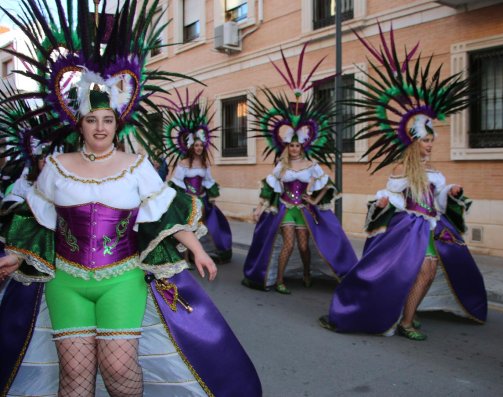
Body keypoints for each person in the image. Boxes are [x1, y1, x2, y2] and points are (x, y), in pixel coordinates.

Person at [0, 1, 262, 396]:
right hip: (65, 281)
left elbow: (161, 215)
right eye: (92, 120)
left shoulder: (136, 165)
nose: (100, 127)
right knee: (73, 377)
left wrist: (199, 250)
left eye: (107, 120)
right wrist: (15, 257)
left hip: (122, 278)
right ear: (80, 123)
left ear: (116, 122)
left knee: (120, 371)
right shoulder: (56, 166)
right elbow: (40, 219)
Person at [319, 24, 487, 340]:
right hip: (408, 230)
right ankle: (405, 320)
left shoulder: (436, 172)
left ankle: (408, 315)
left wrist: (451, 192)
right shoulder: (400, 171)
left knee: (429, 271)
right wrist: (384, 201)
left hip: (431, 227)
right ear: (413, 142)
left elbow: (437, 204)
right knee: (418, 271)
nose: (430, 145)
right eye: (426, 141)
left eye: (431, 141)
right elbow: (394, 199)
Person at [242, 43, 357, 294]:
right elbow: (269, 189)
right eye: (290, 145)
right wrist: (259, 208)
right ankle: (280, 279)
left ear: (303, 145)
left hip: (304, 209)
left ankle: (306, 273)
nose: (294, 149)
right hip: (285, 210)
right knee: (289, 244)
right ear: (287, 146)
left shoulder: (312, 165)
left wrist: (313, 198)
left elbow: (328, 184)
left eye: (297, 145)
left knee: (305, 246)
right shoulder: (280, 167)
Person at [162, 89, 233, 263]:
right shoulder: (184, 163)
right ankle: (186, 256)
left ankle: (196, 254)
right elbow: (176, 182)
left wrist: (212, 196)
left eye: (202, 146)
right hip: (188, 200)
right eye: (197, 145)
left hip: (201, 198)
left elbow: (208, 181)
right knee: (189, 226)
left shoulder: (204, 164)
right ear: (191, 147)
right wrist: (181, 199)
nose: (199, 148)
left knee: (202, 225)